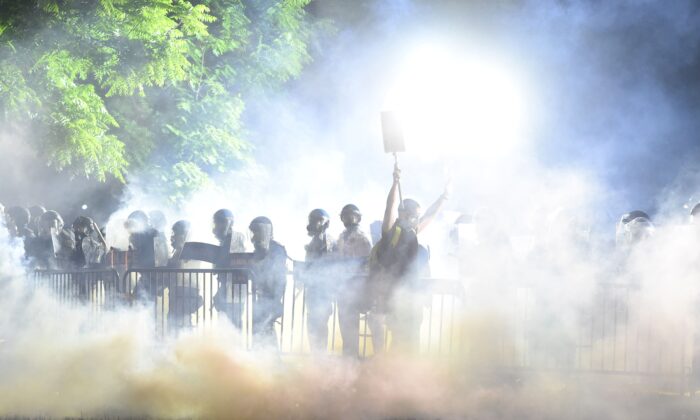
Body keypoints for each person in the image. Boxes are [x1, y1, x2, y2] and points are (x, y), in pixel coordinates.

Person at [367, 164, 449, 354]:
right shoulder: (391, 233)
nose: (415, 219)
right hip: (393, 297)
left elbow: (429, 215)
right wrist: (395, 184)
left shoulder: (412, 233)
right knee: (398, 341)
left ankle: (405, 375)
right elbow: (389, 208)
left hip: (411, 299)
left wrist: (444, 197)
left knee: (410, 343)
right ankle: (391, 374)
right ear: (406, 214)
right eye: (413, 215)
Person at [335, 204, 372, 356]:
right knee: (345, 325)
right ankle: (348, 356)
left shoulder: (361, 237)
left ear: (358, 217)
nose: (348, 219)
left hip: (354, 289)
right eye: (345, 216)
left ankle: (352, 359)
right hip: (344, 288)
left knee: (350, 326)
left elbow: (366, 264)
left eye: (351, 215)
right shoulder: (342, 236)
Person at [249, 216, 287, 348]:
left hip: (272, 297)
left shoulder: (276, 250)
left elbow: (279, 276)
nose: (254, 236)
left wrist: (276, 300)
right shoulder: (259, 251)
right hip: (262, 297)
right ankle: (267, 360)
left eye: (257, 232)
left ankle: (273, 360)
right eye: (253, 232)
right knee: (262, 329)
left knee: (264, 328)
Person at [303, 208, 336, 352]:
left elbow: (328, 265)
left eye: (317, 221)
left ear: (324, 223)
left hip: (323, 291)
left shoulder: (327, 241)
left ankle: (321, 357)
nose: (313, 224)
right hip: (313, 290)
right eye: (312, 220)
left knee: (319, 324)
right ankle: (317, 356)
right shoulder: (314, 241)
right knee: (312, 324)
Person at [166, 220, 203, 331]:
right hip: (178, 290)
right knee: (176, 321)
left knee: (182, 322)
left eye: (176, 233)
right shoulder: (180, 250)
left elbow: (176, 266)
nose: (173, 237)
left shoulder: (190, 250)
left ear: (184, 234)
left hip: (185, 291)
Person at [212, 208, 247, 325]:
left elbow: (230, 260)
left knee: (234, 320)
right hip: (228, 284)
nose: (217, 226)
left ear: (229, 223)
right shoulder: (225, 240)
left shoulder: (237, 237)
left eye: (220, 222)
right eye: (216, 222)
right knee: (225, 320)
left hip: (236, 284)